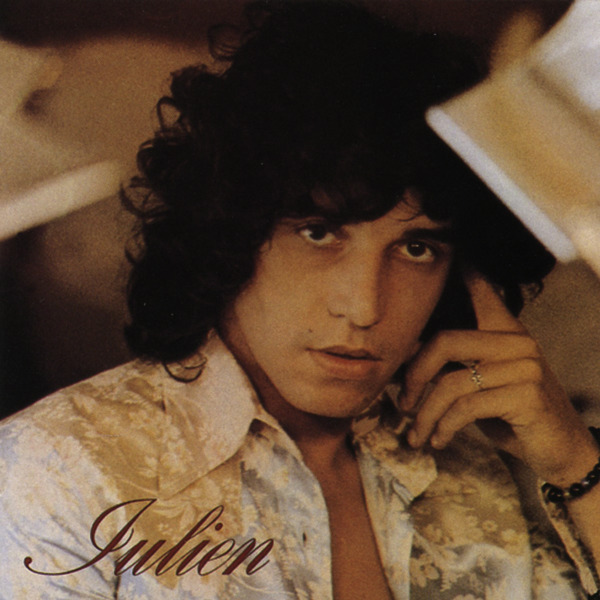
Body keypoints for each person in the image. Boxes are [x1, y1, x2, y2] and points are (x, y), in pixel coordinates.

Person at [1, 1, 599, 598]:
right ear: (231, 232)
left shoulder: (490, 467)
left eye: (416, 248)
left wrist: (577, 462)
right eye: (318, 233)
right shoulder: (58, 468)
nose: (363, 308)